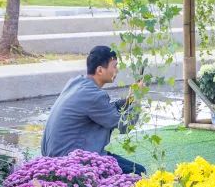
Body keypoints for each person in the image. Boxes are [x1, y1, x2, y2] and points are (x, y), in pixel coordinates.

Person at [41, 46, 145, 175]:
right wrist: (138, 99)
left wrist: (129, 100)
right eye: (114, 66)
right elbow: (124, 126)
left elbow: (106, 110)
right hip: (71, 163)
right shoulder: (94, 96)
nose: (117, 70)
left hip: (54, 157)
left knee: (134, 169)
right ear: (100, 70)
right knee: (139, 172)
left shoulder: (76, 83)